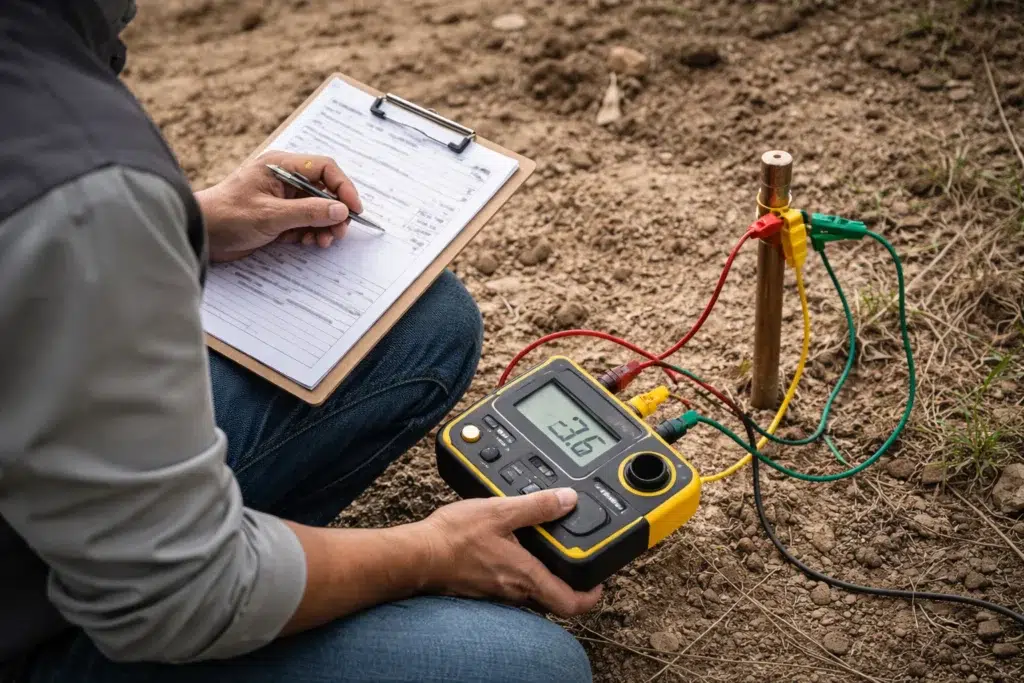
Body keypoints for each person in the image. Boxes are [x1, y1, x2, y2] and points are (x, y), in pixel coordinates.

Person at [0, 2, 602, 681]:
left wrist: (182, 220)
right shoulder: (80, 172)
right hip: (48, 622)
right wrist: (430, 551)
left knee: (419, 320)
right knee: (528, 669)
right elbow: (181, 598)